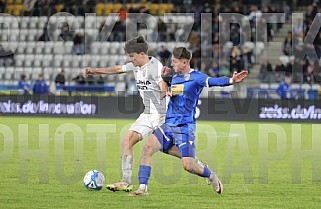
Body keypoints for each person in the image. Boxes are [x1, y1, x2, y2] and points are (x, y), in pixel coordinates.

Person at [129, 47, 248, 196]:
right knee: (148, 149)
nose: (172, 64)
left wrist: (231, 80)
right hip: (168, 124)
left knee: (188, 165)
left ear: (184, 62)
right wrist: (165, 79)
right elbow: (166, 88)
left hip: (185, 127)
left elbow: (213, 81)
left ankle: (211, 175)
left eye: (175, 62)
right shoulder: (174, 77)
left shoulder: (196, 78)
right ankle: (142, 189)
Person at [84, 35, 185, 192]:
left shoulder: (155, 67)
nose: (130, 60)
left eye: (132, 56)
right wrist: (96, 71)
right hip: (147, 113)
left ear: (142, 55)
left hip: (162, 115)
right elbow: (118, 69)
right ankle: (126, 181)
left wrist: (166, 90)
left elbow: (163, 83)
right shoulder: (136, 66)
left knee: (169, 149)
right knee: (127, 141)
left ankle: (194, 163)